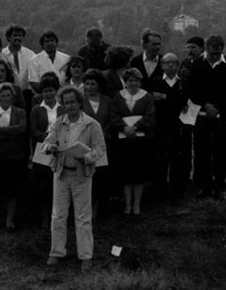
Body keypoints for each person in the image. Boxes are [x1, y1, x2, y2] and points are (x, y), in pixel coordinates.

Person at [42, 86, 107, 273]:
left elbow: (100, 149)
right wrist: (50, 148)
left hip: (82, 175)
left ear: (80, 102)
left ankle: (86, 256)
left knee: (83, 217)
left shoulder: (91, 124)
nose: (69, 106)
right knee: (58, 215)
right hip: (61, 173)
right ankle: (56, 252)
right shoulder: (59, 122)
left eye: (73, 102)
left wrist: (85, 157)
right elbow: (48, 141)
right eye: (66, 102)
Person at [187, 35, 226, 200]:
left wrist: (217, 107)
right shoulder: (197, 64)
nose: (215, 56)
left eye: (218, 53)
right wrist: (205, 105)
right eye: (212, 53)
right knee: (202, 150)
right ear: (206, 49)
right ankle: (204, 185)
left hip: (221, 115)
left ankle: (219, 184)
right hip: (202, 115)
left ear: (222, 49)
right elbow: (193, 90)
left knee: (221, 150)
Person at [0, 83, 28, 235]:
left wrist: (1, 130)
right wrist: (11, 133)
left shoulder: (20, 112)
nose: (6, 98)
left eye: (9, 95)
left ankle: (10, 220)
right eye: (3, 96)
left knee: (13, 190)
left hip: (15, 156)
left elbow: (22, 129)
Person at [110, 68, 156, 215]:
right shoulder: (118, 96)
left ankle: (137, 204)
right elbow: (114, 115)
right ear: (125, 82)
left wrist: (135, 127)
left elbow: (150, 116)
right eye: (130, 80)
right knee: (126, 173)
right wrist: (124, 128)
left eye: (136, 80)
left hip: (141, 140)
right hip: (124, 140)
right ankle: (128, 204)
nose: (133, 83)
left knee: (139, 172)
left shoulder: (147, 97)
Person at [149, 54, 189, 200]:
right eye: (167, 63)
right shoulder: (156, 81)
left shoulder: (183, 83)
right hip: (160, 125)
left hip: (178, 125)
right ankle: (160, 190)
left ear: (178, 65)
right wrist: (176, 101)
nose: (170, 65)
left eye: (173, 62)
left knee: (177, 158)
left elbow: (184, 101)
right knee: (160, 158)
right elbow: (154, 100)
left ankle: (176, 191)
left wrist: (165, 97)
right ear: (162, 65)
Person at [81, 69, 115, 217]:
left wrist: (101, 136)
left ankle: (97, 208)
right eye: (87, 84)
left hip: (102, 144)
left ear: (99, 85)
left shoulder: (108, 101)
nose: (89, 87)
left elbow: (110, 121)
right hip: (84, 143)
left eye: (92, 84)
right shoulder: (80, 100)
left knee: (100, 177)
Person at [29, 75, 61, 228]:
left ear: (56, 91)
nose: (48, 94)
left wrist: (58, 141)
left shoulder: (62, 108)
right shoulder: (37, 109)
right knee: (43, 184)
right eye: (45, 91)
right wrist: (48, 139)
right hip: (42, 149)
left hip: (59, 149)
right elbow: (33, 130)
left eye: (51, 91)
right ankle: (44, 215)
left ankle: (58, 215)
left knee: (58, 182)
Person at [0, 24, 36, 107]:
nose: (18, 38)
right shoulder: (1, 55)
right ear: (9, 37)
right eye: (15, 35)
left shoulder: (31, 54)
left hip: (27, 95)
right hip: (7, 95)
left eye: (20, 35)